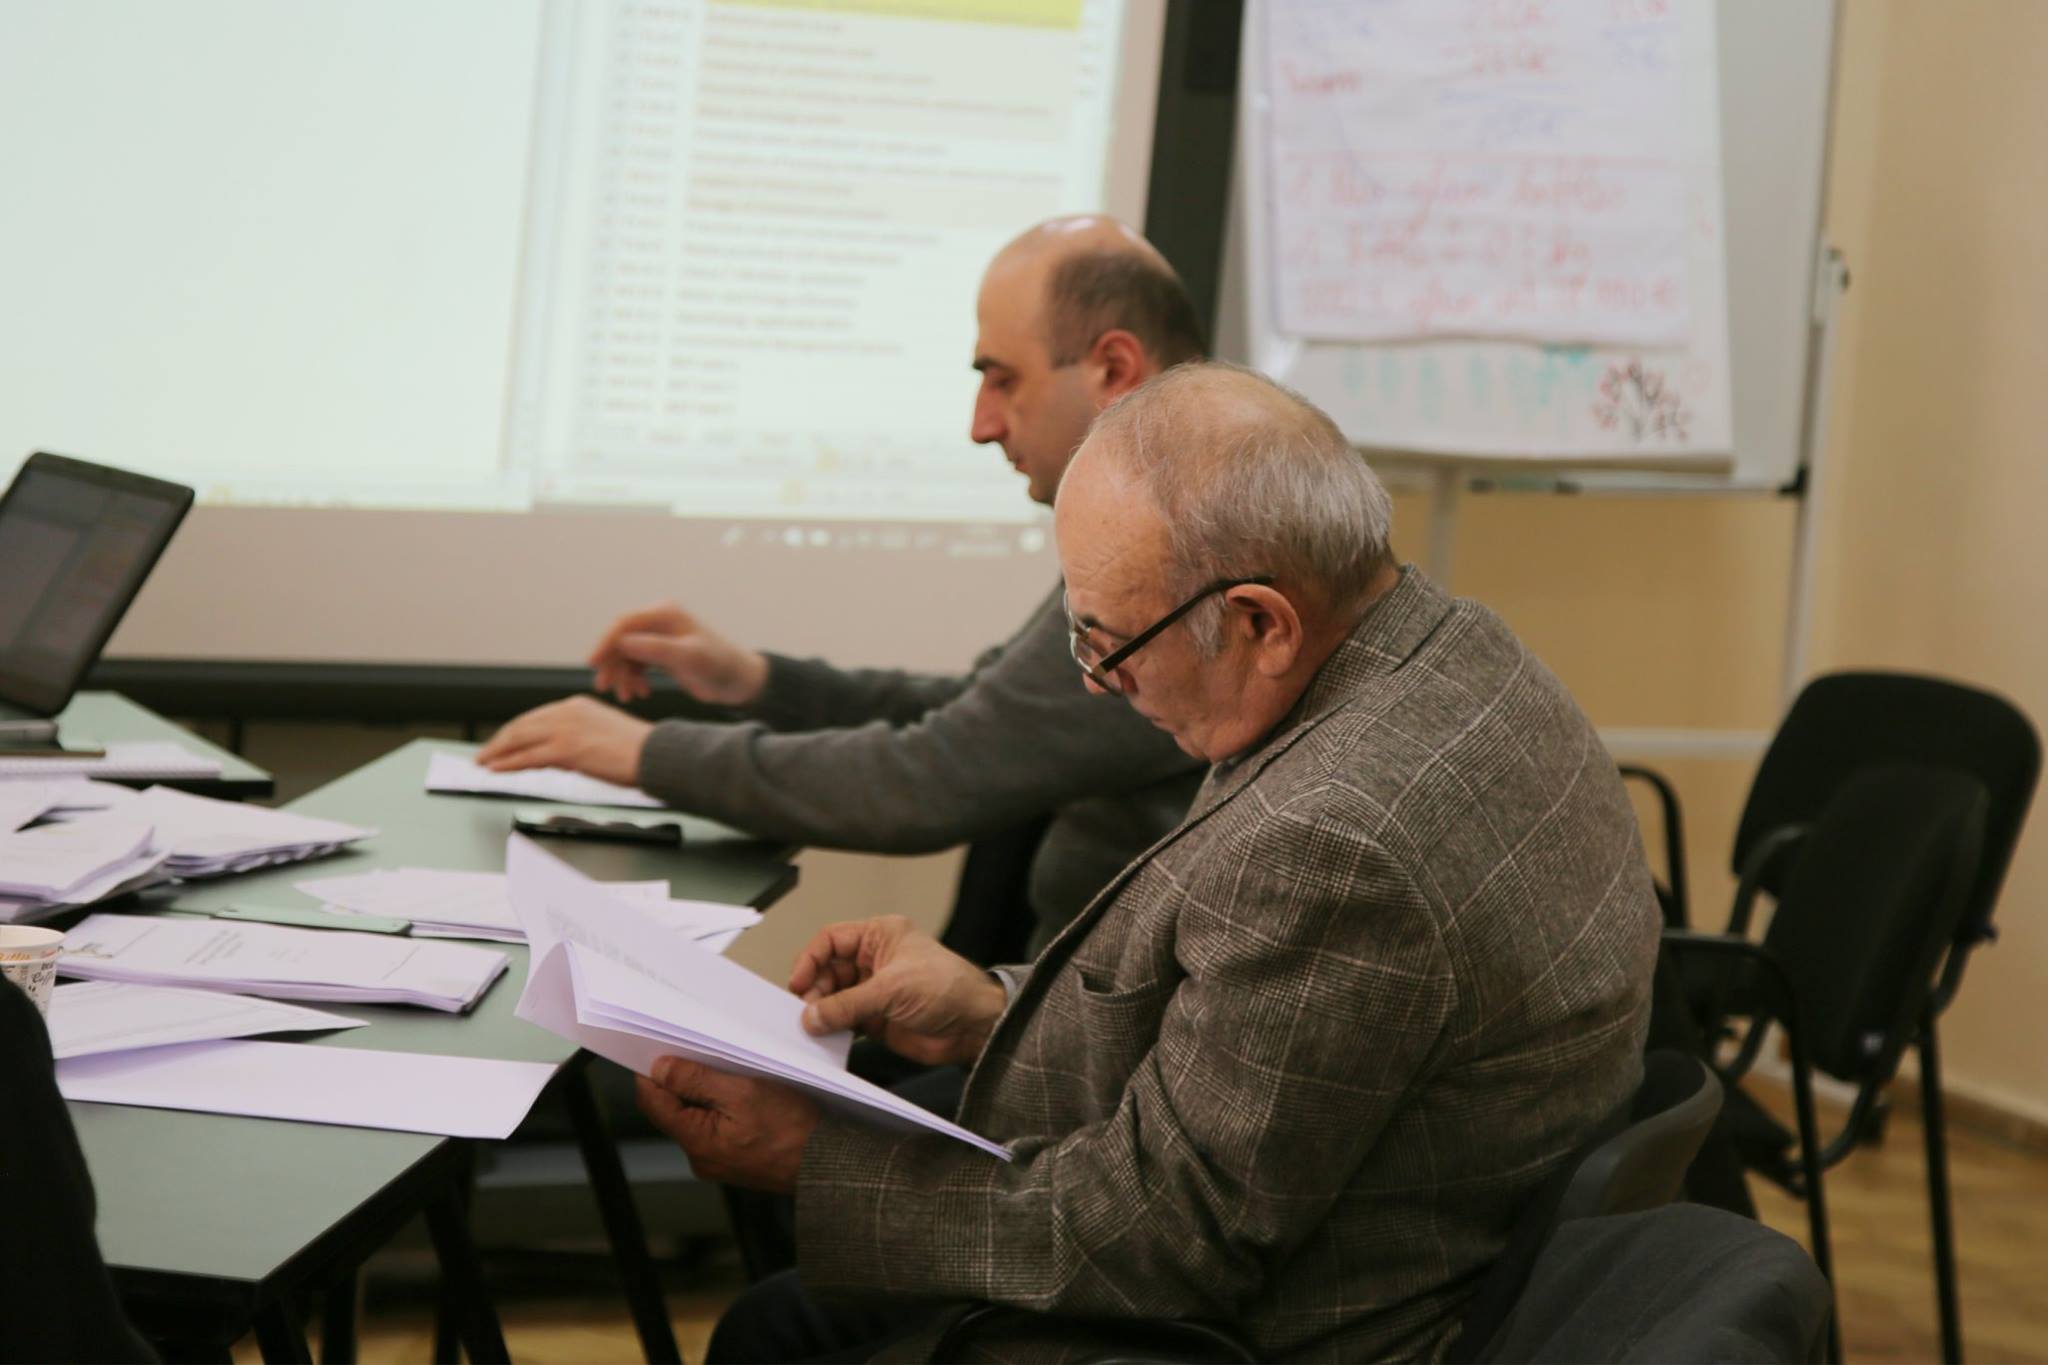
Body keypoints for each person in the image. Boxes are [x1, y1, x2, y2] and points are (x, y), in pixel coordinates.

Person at [630, 363, 1665, 1362]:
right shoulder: (1453, 651)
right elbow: (1269, 1043)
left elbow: (1174, 1238)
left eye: (1110, 642)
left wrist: (816, 1165)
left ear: (1259, 622)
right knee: (782, 1319)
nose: (1094, 681)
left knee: (773, 1329)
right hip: (1387, 1240)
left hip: (1293, 1327)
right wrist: (989, 1010)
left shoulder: (1334, 843)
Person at [478, 216, 1209, 958]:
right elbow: (983, 715)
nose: (981, 425)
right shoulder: (1176, 510)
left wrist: (649, 752)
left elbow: (929, 776)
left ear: (1113, 369)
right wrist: (755, 680)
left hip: (1078, 1023)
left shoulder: (1175, 554)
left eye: (1003, 378)